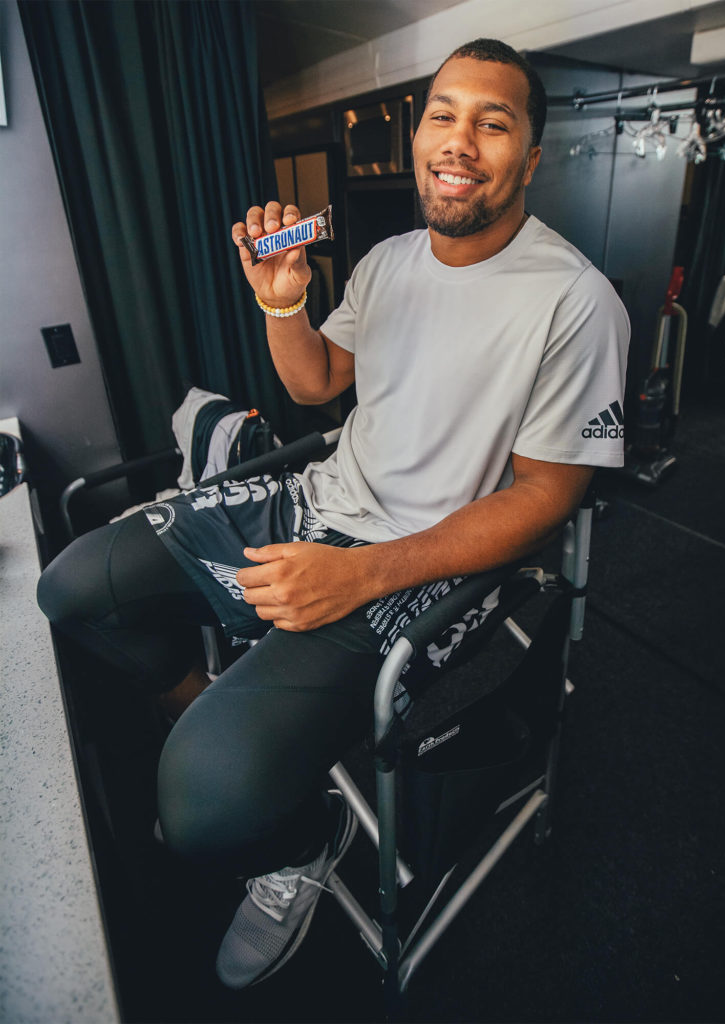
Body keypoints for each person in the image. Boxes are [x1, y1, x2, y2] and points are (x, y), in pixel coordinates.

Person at [37, 38, 629, 988]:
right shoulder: (390, 262)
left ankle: (299, 842)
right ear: (417, 129)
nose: (460, 140)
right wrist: (283, 303)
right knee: (73, 589)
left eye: (494, 122)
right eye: (444, 113)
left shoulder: (576, 300)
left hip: (424, 563)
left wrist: (360, 572)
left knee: (199, 807)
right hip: (315, 501)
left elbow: (548, 500)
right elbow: (317, 382)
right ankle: (216, 721)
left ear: (530, 155)